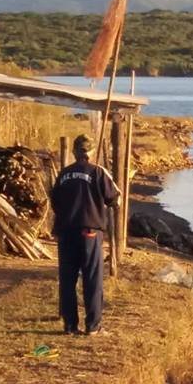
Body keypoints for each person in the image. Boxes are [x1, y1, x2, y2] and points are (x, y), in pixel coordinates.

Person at [50, 134, 120, 335]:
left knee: (67, 279)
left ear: (74, 151)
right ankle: (94, 326)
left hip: (65, 232)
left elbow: (55, 201)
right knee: (92, 278)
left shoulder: (63, 174)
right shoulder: (98, 172)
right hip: (89, 232)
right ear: (90, 151)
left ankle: (70, 326)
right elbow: (114, 200)